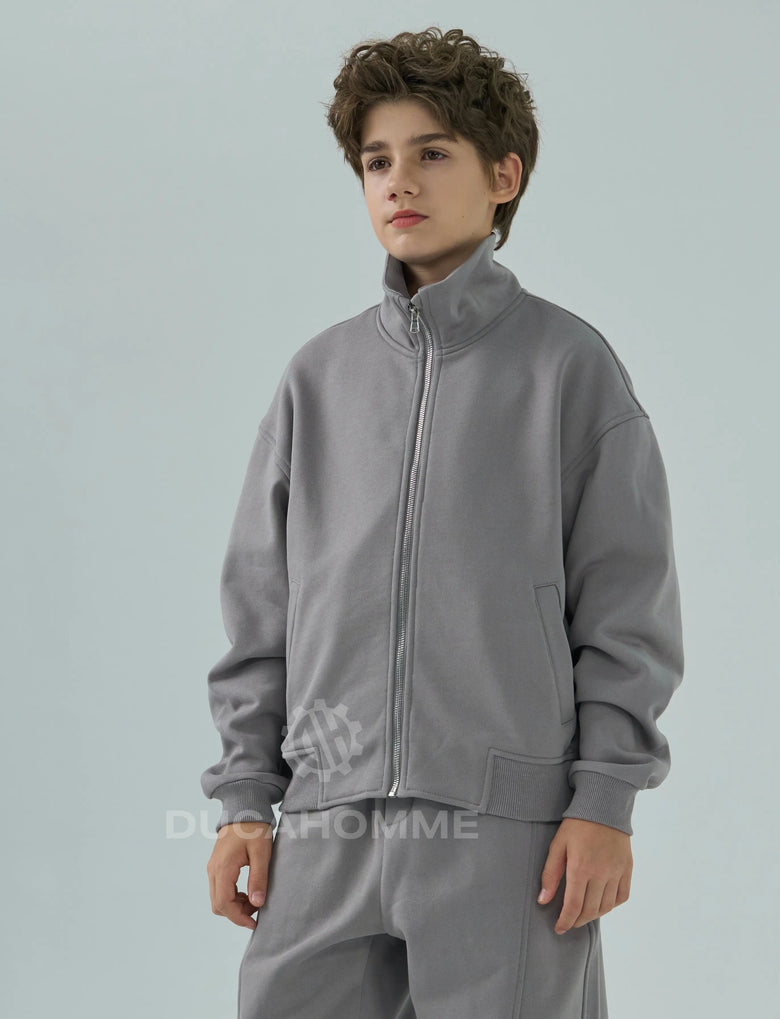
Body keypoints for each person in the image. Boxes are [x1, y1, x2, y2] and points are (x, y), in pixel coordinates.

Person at [201, 26, 684, 1018]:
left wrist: (604, 802)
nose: (398, 182)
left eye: (431, 152)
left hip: (507, 834)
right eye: (376, 161)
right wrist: (245, 800)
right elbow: (261, 615)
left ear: (503, 176)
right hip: (326, 826)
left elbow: (626, 612)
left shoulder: (569, 370)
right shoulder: (317, 379)